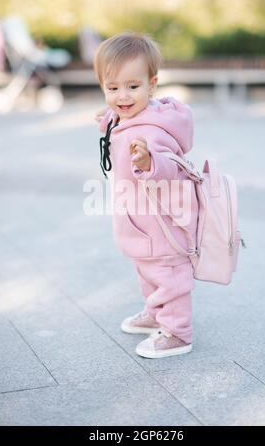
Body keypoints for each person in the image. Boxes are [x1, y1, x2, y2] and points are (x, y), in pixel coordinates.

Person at [93, 32, 198, 359]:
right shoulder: (129, 117)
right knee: (146, 270)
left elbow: (172, 166)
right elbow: (120, 123)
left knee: (169, 276)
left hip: (162, 224)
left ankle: (178, 333)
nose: (122, 96)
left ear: (152, 84)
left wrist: (149, 161)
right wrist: (107, 119)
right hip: (139, 220)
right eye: (112, 88)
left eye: (132, 87)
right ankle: (155, 313)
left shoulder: (151, 131)